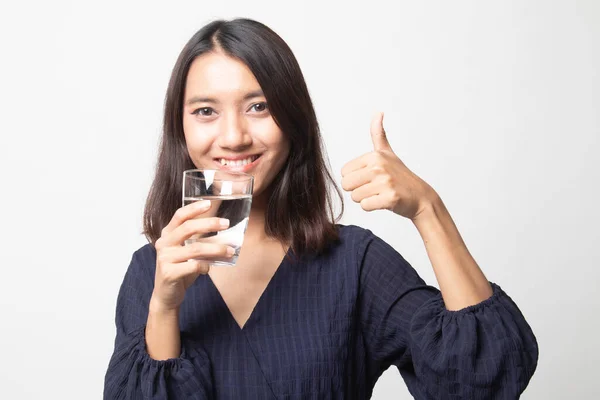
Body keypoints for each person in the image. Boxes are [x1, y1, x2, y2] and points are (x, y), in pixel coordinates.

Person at [104, 18, 538, 400]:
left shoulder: (354, 263)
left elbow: (485, 381)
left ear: (293, 120)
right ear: (181, 128)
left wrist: (429, 209)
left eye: (259, 107)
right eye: (205, 111)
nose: (233, 136)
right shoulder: (149, 274)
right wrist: (163, 308)